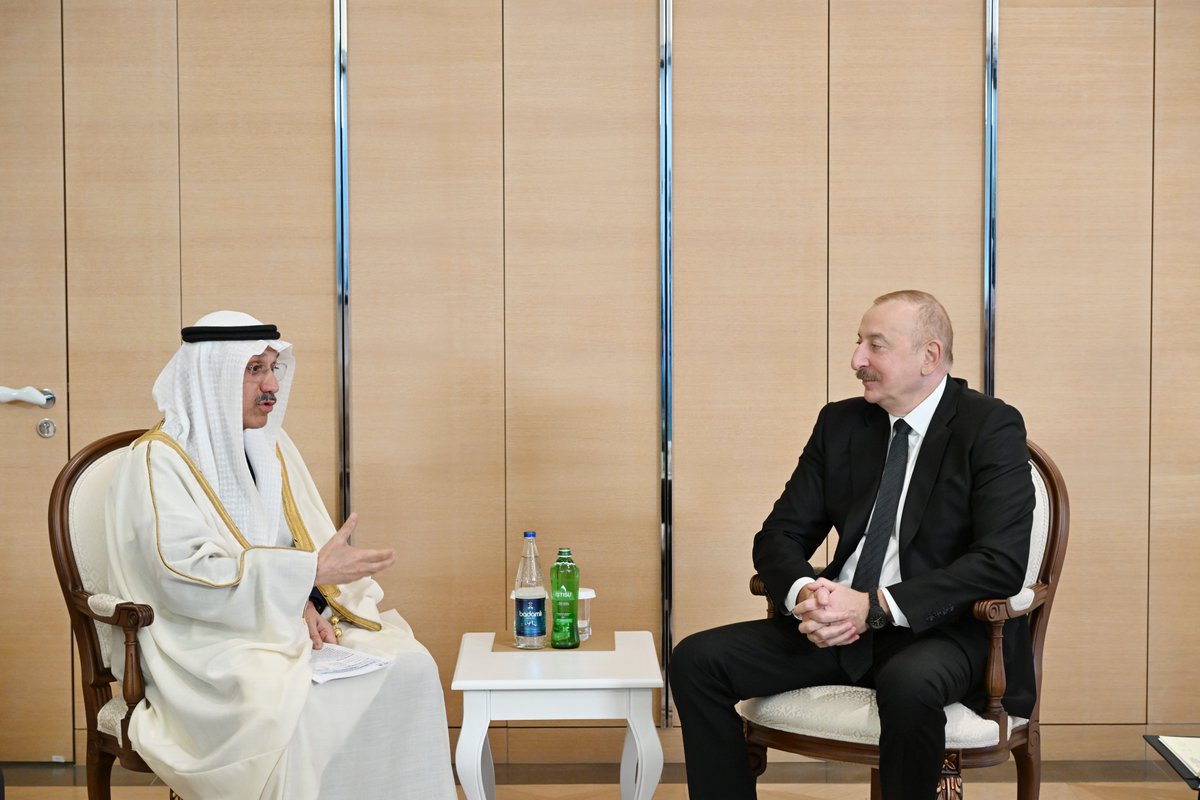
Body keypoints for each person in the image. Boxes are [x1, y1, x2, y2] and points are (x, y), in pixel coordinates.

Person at [670, 290, 1036, 800]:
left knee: (910, 684)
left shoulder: (989, 425)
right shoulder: (840, 423)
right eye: (858, 342)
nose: (856, 359)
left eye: (875, 345)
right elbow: (779, 534)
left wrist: (875, 607)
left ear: (929, 355)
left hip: (941, 632)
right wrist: (805, 594)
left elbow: (999, 563)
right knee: (696, 660)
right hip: (838, 629)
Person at [104, 310, 456, 800]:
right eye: (254, 370)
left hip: (278, 619)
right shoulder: (157, 461)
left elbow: (293, 544)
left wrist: (306, 599)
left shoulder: (270, 446)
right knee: (293, 701)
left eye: (273, 368)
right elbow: (183, 578)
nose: (271, 385)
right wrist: (306, 574)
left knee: (409, 666)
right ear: (212, 375)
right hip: (201, 642)